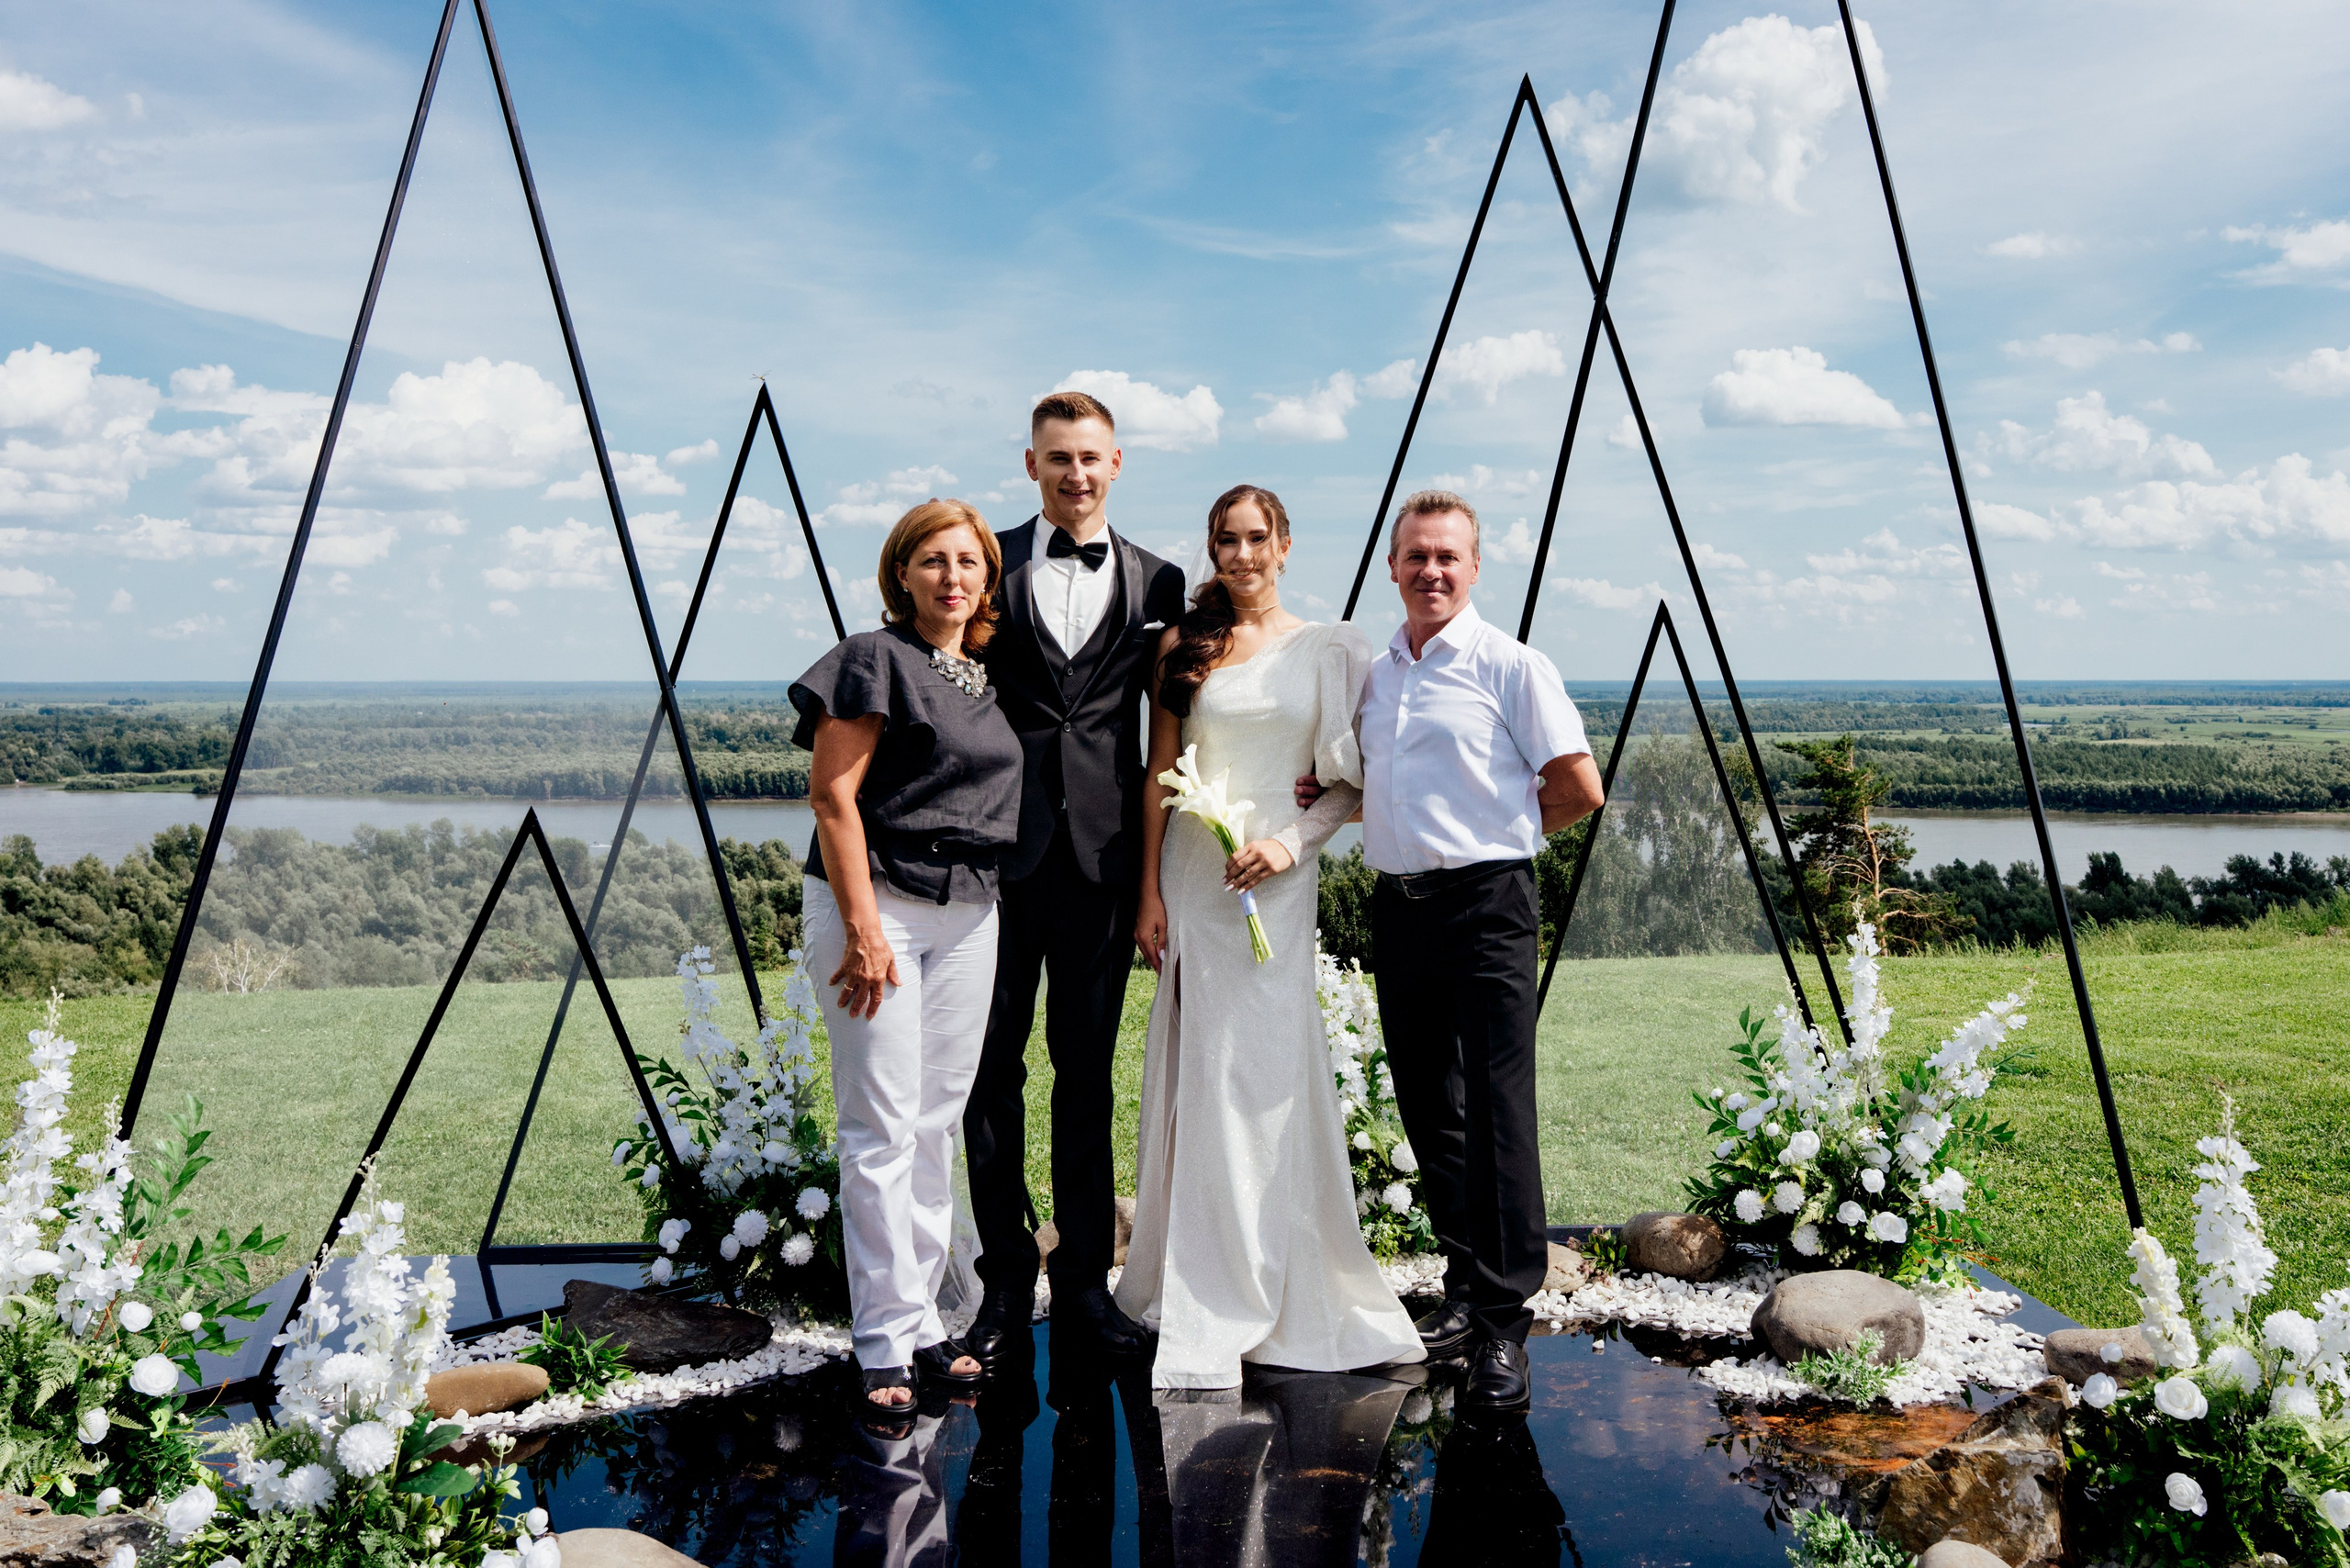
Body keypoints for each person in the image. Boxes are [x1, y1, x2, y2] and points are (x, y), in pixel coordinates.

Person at [1116, 483, 1425, 1389]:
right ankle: (1200, 1277)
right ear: (1211, 548)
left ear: (1285, 544)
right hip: (1191, 874)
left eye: (1256, 538)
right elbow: (1157, 775)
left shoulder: (1334, 649)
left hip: (1276, 888)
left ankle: (1276, 1274)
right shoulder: (1182, 646)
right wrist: (1148, 896)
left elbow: (1353, 782)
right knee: (1203, 1068)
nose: (1241, 555)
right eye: (1226, 540)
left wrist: (1288, 844)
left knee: (1266, 1072)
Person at [1342, 489, 1604, 1417]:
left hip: (1487, 904)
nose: (1430, 571)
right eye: (1415, 556)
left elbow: (1578, 788)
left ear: (1475, 566)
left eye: (1447, 556)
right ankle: (1463, 1285)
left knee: (1496, 1112)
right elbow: (1368, 779)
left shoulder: (1510, 665)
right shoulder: (1378, 675)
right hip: (1399, 909)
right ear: (1392, 567)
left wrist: (1502, 833)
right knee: (1428, 1104)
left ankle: (1503, 1322)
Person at [961, 392, 1189, 1368]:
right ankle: (1006, 1281)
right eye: (1058, 458)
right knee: (988, 1077)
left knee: (1086, 1080)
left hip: (1102, 868)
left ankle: (1086, 1284)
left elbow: (1175, 732)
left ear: (1117, 462)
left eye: (1090, 457)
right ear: (1030, 465)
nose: (1075, 473)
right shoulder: (984, 563)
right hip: (995, 862)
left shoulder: (1160, 581)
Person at [792, 498, 1024, 1418]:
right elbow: (830, 797)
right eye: (932, 560)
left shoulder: (976, 677)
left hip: (970, 913)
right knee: (880, 1127)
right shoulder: (871, 659)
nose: (952, 577)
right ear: (901, 574)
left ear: (986, 579)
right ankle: (883, 1341)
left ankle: (925, 1318)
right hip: (877, 904)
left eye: (968, 561)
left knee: (934, 1121)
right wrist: (861, 928)